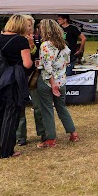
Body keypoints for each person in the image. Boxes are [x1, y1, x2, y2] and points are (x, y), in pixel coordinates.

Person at [0, 14, 32, 158]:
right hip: (11, 80)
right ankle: (5, 151)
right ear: (21, 25)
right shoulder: (21, 41)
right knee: (11, 113)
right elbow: (27, 64)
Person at [35, 19, 79, 148]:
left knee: (47, 109)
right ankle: (73, 133)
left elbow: (47, 67)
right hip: (62, 81)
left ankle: (50, 139)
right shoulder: (64, 46)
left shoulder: (45, 45)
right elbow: (66, 63)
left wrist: (52, 83)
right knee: (62, 108)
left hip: (47, 81)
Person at [16, 16, 44, 147]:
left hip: (34, 75)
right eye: (25, 25)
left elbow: (39, 56)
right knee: (20, 107)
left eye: (30, 25)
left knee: (38, 106)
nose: (28, 28)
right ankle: (20, 136)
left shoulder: (38, 39)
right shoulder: (15, 39)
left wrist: (32, 44)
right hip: (18, 76)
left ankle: (43, 133)